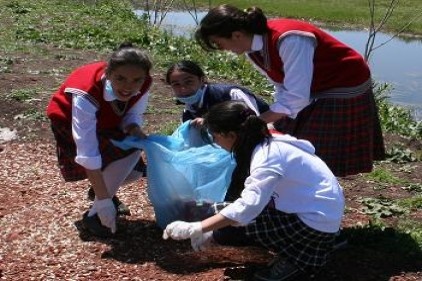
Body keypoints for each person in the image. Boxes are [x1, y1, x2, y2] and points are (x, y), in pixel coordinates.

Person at [194, 4, 385, 177]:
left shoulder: (290, 39)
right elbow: (283, 85)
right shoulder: (252, 49)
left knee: (318, 151)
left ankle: (320, 194)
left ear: (236, 35)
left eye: (220, 44)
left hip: (343, 83)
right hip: (314, 86)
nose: (223, 50)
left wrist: (257, 121)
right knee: (289, 135)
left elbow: (297, 97)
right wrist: (266, 120)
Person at [162, 100, 345, 281]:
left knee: (227, 230)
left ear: (231, 135)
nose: (216, 142)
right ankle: (313, 245)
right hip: (314, 210)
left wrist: (200, 227)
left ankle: (297, 259)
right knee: (220, 215)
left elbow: (248, 207)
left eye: (215, 136)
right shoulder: (268, 141)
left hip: (315, 223)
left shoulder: (266, 158)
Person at [46, 42, 152, 237]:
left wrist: (134, 129)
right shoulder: (85, 92)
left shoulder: (143, 84)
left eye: (136, 80)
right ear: (108, 72)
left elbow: (133, 114)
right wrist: (104, 201)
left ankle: (99, 193)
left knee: (135, 172)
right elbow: (88, 151)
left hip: (107, 121)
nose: (128, 87)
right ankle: (94, 215)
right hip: (68, 120)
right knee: (126, 153)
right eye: (120, 78)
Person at [166, 59, 269, 127]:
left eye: (189, 82)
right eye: (176, 84)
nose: (183, 89)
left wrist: (212, 123)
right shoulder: (188, 113)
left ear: (202, 80)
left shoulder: (231, 95)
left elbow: (255, 123)